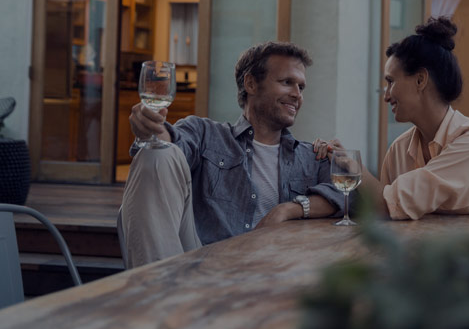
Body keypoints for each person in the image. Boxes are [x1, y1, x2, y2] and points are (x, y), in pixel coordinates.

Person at [120, 42, 345, 268]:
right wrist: (150, 131)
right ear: (251, 83)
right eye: (287, 82)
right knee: (156, 153)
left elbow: (350, 195)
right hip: (201, 263)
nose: (297, 95)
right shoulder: (205, 134)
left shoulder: (309, 155)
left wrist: (286, 210)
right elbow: (172, 144)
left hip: (271, 271)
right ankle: (158, 289)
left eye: (301, 87)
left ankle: (159, 293)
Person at [314, 17, 469, 220]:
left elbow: (387, 206)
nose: (386, 95)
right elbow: (383, 215)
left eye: (390, 82)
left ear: (420, 80)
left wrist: (355, 167)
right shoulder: (398, 150)